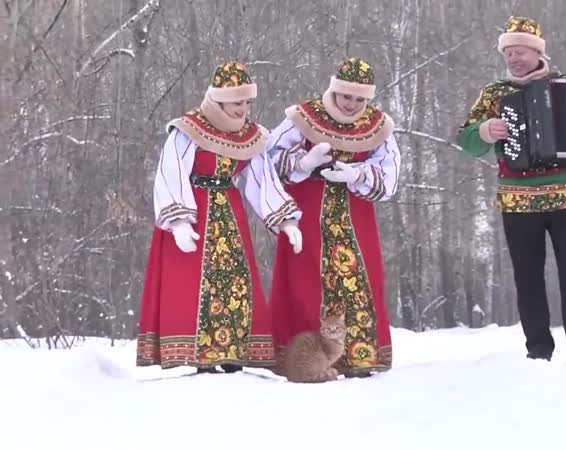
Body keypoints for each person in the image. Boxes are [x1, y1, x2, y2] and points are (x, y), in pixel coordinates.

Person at [457, 16, 566, 362]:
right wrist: (485, 131)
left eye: (519, 51)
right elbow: (464, 139)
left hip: (564, 195)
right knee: (528, 276)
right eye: (508, 52)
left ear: (537, 52)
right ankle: (538, 349)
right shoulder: (495, 94)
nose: (513, 58)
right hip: (517, 199)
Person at [136, 61, 303, 374]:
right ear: (219, 99)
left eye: (247, 102)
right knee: (195, 284)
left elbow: (261, 179)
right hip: (195, 213)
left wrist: (286, 219)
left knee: (234, 283)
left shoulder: (250, 136)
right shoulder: (188, 129)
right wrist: (179, 221)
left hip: (229, 215)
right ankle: (197, 353)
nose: (243, 109)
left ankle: (230, 352)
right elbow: (170, 173)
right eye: (237, 102)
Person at [266, 57, 400, 378]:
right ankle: (303, 360)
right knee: (304, 282)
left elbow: (390, 175)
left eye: (360, 99)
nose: (352, 104)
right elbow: (268, 157)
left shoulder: (378, 126)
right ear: (333, 90)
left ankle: (358, 356)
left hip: (356, 218)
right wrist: (303, 163)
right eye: (346, 96)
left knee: (357, 279)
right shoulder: (302, 118)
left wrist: (357, 174)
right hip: (308, 213)